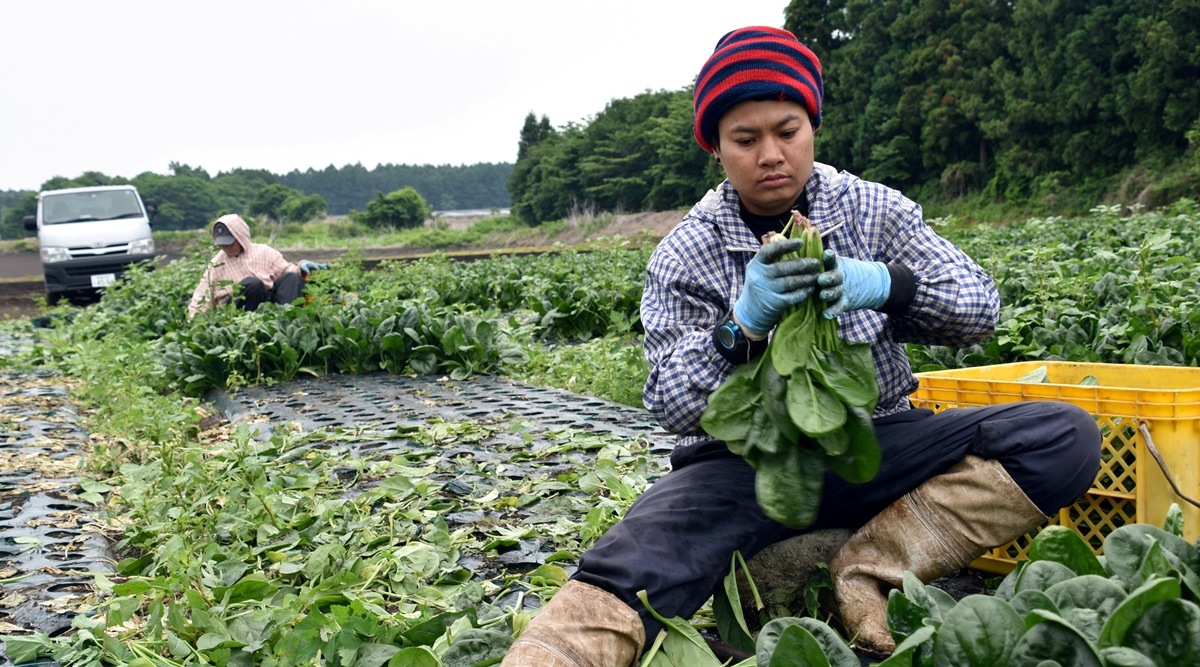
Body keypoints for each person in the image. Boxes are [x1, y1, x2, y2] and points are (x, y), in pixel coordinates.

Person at [500, 25, 1101, 666]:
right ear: (716, 148)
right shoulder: (687, 249)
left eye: (787, 131)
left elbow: (980, 307)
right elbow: (671, 403)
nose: (770, 155)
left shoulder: (874, 210)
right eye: (745, 139)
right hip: (741, 465)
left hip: (872, 443)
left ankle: (865, 569)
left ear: (811, 125)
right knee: (631, 562)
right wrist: (742, 328)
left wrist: (887, 285)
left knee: (1061, 437)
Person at [186, 213, 325, 317]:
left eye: (230, 242)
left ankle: (287, 321)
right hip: (237, 311)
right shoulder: (216, 264)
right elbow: (201, 296)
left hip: (267, 302)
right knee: (253, 284)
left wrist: (301, 267)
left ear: (241, 236)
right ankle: (247, 330)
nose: (226, 247)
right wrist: (195, 320)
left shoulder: (264, 252)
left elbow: (287, 270)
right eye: (222, 244)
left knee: (292, 278)